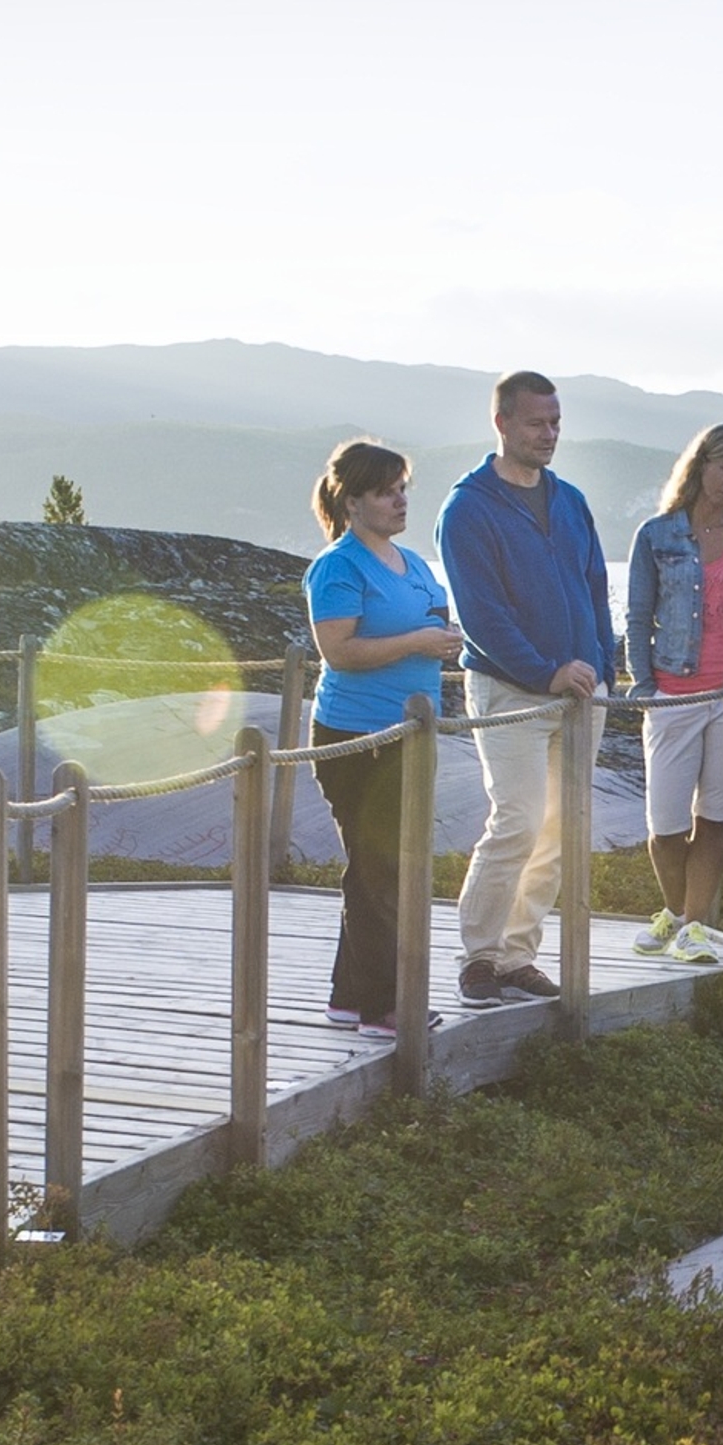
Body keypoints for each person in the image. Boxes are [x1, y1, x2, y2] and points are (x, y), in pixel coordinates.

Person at [434, 369, 615, 1008]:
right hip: (510, 693)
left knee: (560, 832)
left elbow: (595, 587)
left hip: (580, 695)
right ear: (502, 423)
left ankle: (517, 957)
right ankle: (478, 959)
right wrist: (546, 672)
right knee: (516, 821)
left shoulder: (570, 500)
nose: (550, 434)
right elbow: (482, 615)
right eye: (537, 423)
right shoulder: (467, 509)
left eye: (557, 422)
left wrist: (604, 663)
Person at [301, 438, 463, 1038]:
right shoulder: (338, 567)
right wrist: (419, 643)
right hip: (357, 736)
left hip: (407, 734)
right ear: (352, 501)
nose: (399, 501)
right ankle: (386, 1008)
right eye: (386, 491)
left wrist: (442, 640)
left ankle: (349, 999)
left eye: (402, 489)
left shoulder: (413, 563)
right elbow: (338, 652)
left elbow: (432, 624)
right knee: (382, 871)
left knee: (375, 869)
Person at [620, 422, 723, 963]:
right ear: (701, 465)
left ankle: (689, 929)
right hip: (672, 693)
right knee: (665, 826)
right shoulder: (656, 535)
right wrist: (644, 685)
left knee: (716, 817)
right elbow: (637, 617)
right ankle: (680, 915)